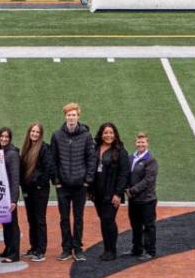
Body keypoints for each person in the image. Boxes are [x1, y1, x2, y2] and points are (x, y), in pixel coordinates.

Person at [50, 102, 96, 262]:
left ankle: (78, 248)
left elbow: (91, 158)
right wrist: (56, 180)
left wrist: (87, 180)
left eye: (74, 115)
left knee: (78, 218)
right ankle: (66, 249)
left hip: (79, 186)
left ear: (78, 116)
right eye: (68, 115)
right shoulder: (56, 135)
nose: (71, 117)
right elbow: (53, 159)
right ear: (65, 116)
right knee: (64, 218)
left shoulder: (86, 135)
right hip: (62, 186)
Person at [91, 122, 130, 261]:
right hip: (97, 192)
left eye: (111, 133)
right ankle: (106, 249)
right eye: (106, 133)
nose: (108, 135)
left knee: (109, 219)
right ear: (101, 134)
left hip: (112, 192)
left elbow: (124, 174)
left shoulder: (120, 151)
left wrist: (118, 193)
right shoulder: (95, 148)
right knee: (103, 220)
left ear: (115, 135)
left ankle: (112, 250)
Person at [19, 121, 53, 262]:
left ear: (40, 134)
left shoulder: (44, 148)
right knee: (31, 219)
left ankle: (41, 250)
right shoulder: (25, 148)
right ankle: (33, 247)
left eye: (37, 132)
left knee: (39, 219)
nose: (34, 134)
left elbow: (48, 168)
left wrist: (39, 184)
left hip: (40, 190)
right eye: (33, 131)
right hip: (28, 190)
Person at [126, 131, 159, 259]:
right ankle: (136, 248)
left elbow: (148, 180)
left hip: (147, 200)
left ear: (147, 143)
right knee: (135, 225)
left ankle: (150, 251)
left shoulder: (151, 160)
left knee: (149, 226)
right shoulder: (131, 158)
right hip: (134, 200)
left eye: (143, 142)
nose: (140, 144)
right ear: (135, 143)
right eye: (139, 142)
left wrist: (131, 190)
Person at [0, 127, 22, 263]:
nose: (3, 139)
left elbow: (15, 178)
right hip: (2, 194)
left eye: (6, 137)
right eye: (1, 136)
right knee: (6, 223)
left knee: (12, 224)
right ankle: (8, 249)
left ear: (10, 138)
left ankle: (14, 253)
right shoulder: (0, 152)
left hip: (9, 196)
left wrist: (13, 200)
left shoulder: (12, 154)